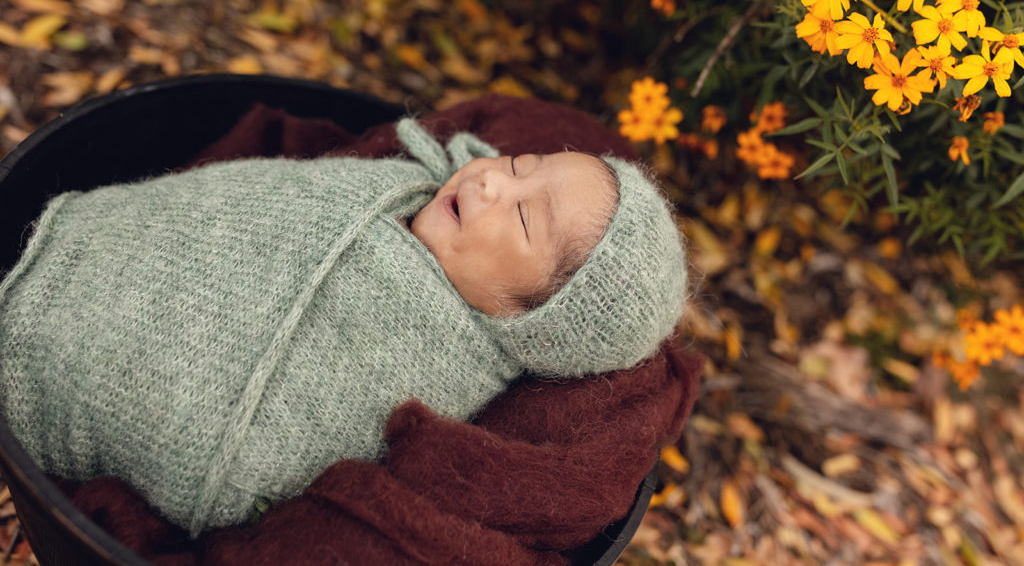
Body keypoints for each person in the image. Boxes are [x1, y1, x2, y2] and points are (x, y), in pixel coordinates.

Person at [0, 118, 687, 536]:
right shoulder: (408, 185)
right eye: (516, 165)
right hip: (109, 245)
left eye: (522, 216)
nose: (487, 184)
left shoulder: (434, 355)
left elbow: (268, 453)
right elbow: (244, 201)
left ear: (535, 322)